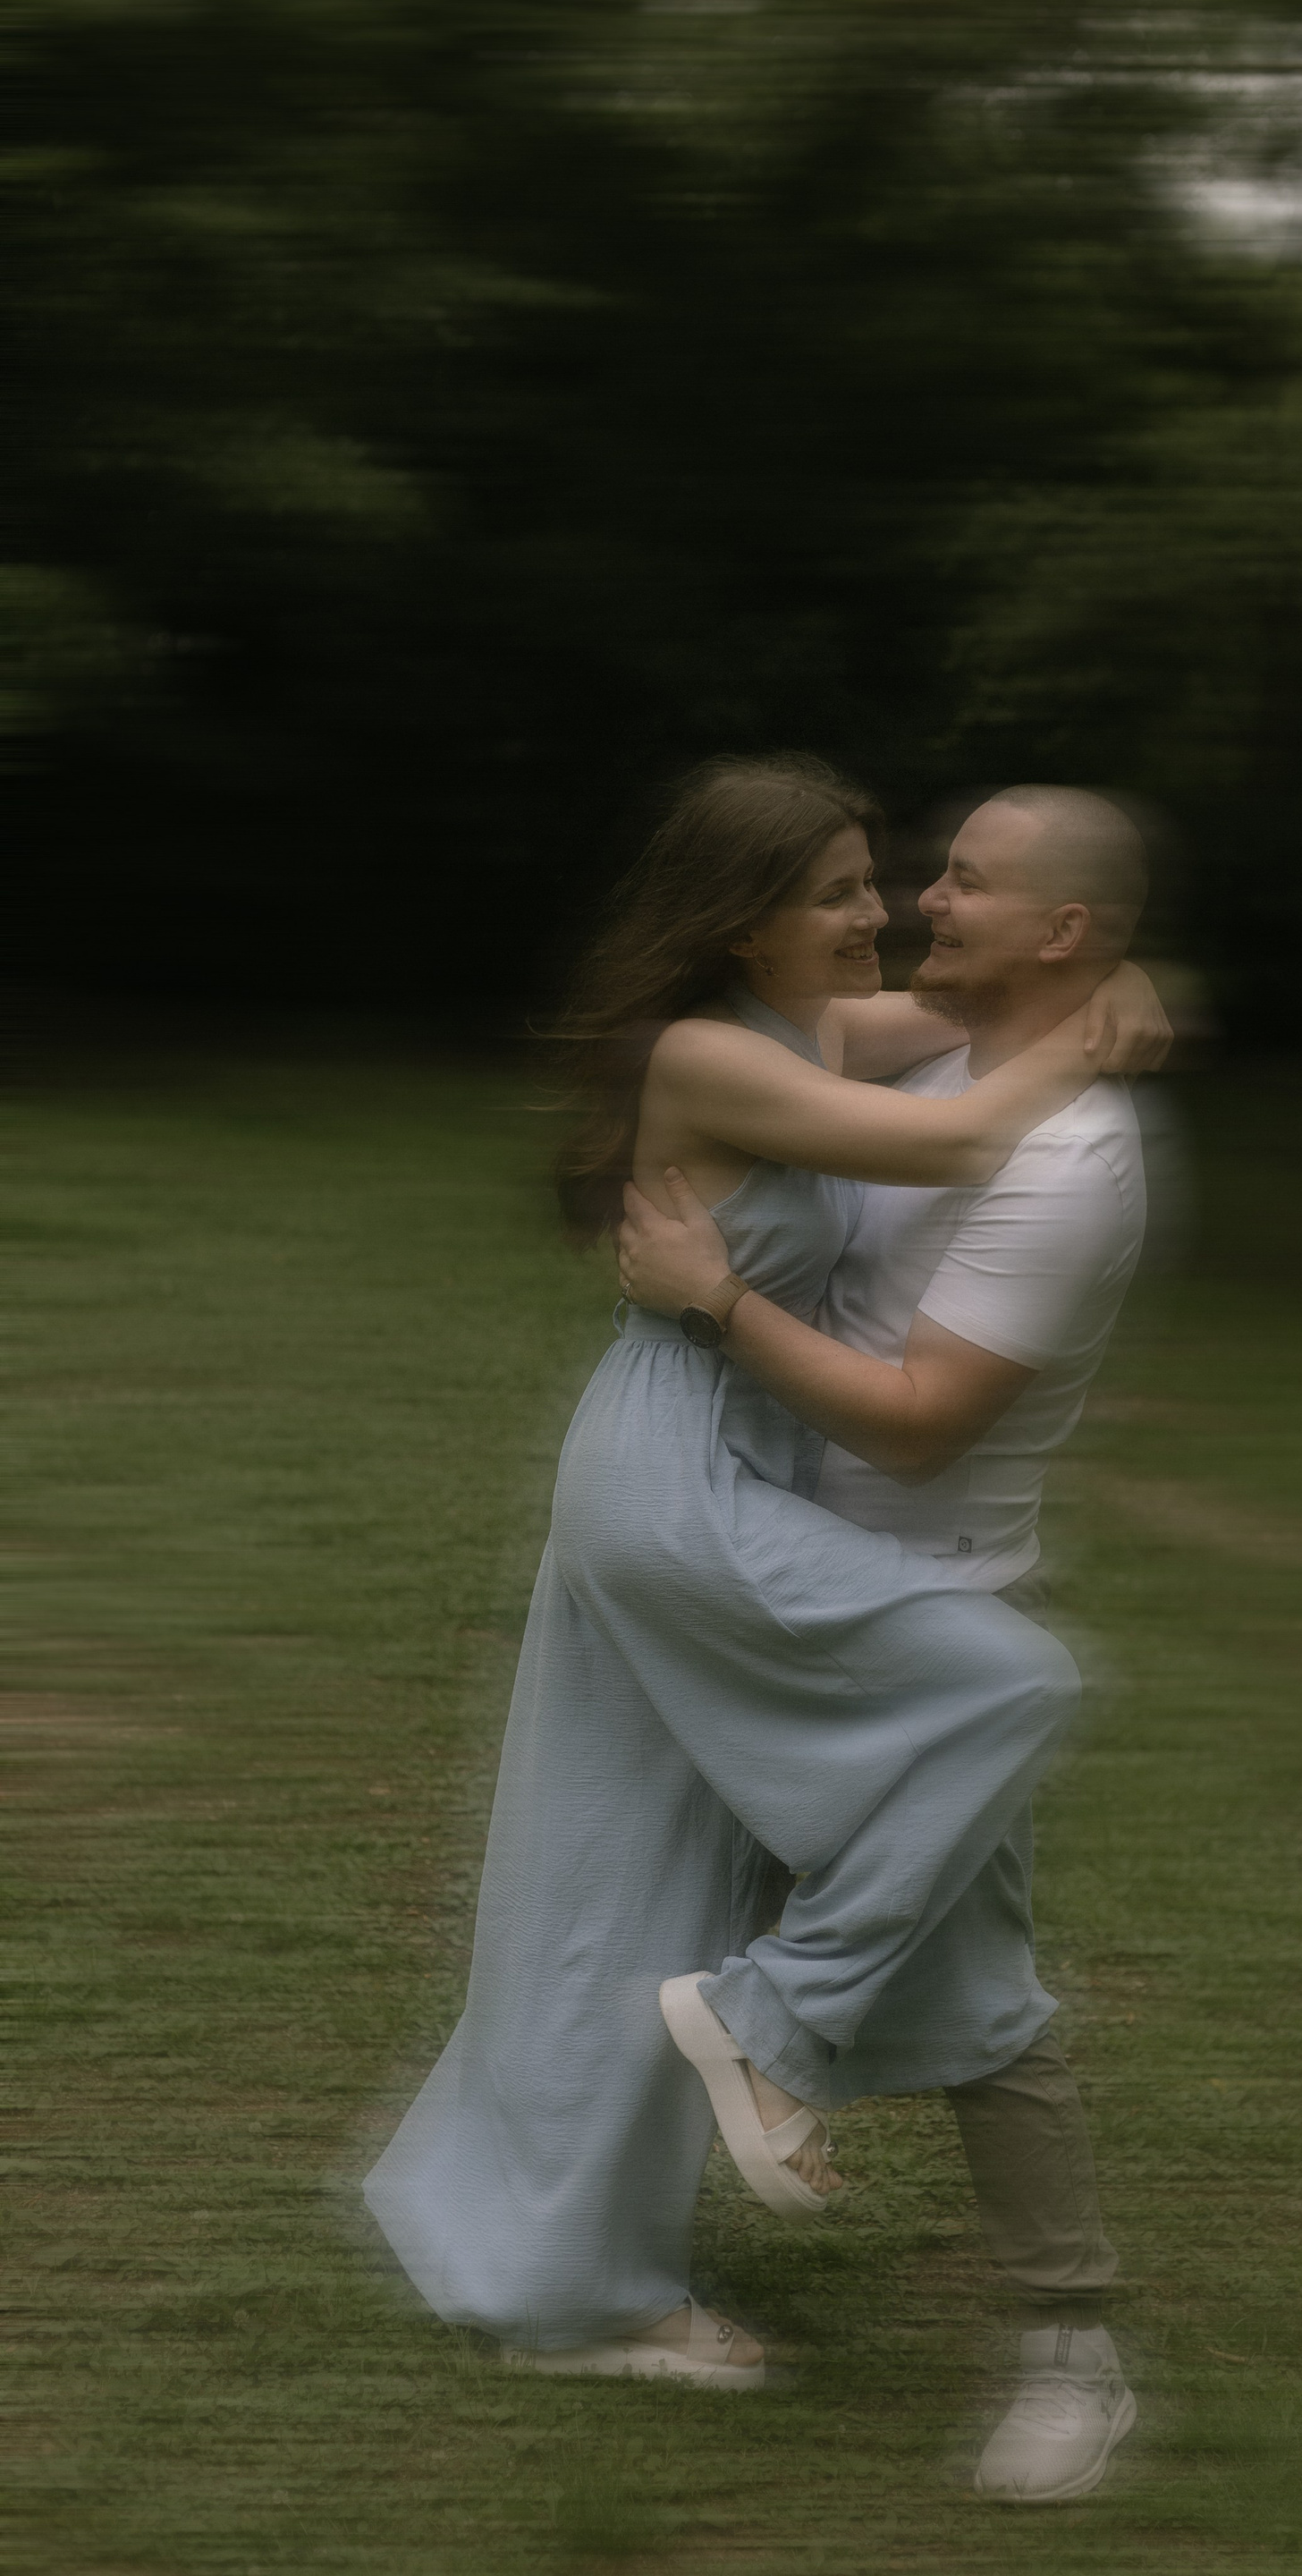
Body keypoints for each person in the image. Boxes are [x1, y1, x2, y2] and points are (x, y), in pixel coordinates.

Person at [362, 759, 1164, 2436]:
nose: (890, 910)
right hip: (686, 1475)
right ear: (743, 921)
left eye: (896, 880)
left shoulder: (804, 1029)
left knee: (614, 1877)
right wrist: (1091, 1033)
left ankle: (565, 2278)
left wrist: (1105, 984)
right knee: (1012, 1683)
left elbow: (952, 1033)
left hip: (711, 1468)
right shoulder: (708, 1052)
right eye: (845, 890)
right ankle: (767, 2028)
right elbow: (955, 1134)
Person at [617, 782, 1162, 2504]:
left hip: (921, 1608)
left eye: (964, 883)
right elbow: (811, 1047)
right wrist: (1121, 994)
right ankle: (611, 2253)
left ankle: (1072, 2353)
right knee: (645, 1907)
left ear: (1059, 930)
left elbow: (921, 1425)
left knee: (979, 1998)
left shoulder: (1068, 1160)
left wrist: (718, 1301)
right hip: (772, 1561)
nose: (924, 900)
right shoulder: (937, 1064)